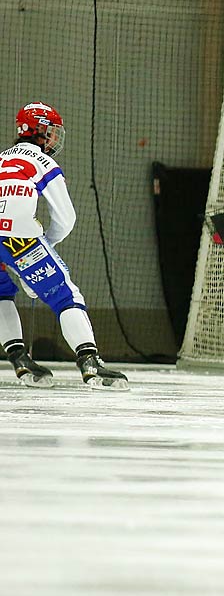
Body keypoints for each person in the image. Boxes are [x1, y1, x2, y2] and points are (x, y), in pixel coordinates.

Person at [0, 102, 128, 388]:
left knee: (0, 295)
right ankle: (90, 362)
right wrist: (46, 248)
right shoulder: (43, 162)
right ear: (40, 132)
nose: (55, 139)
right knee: (66, 296)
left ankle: (20, 360)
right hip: (22, 240)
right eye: (52, 132)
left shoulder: (0, 159)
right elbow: (66, 218)